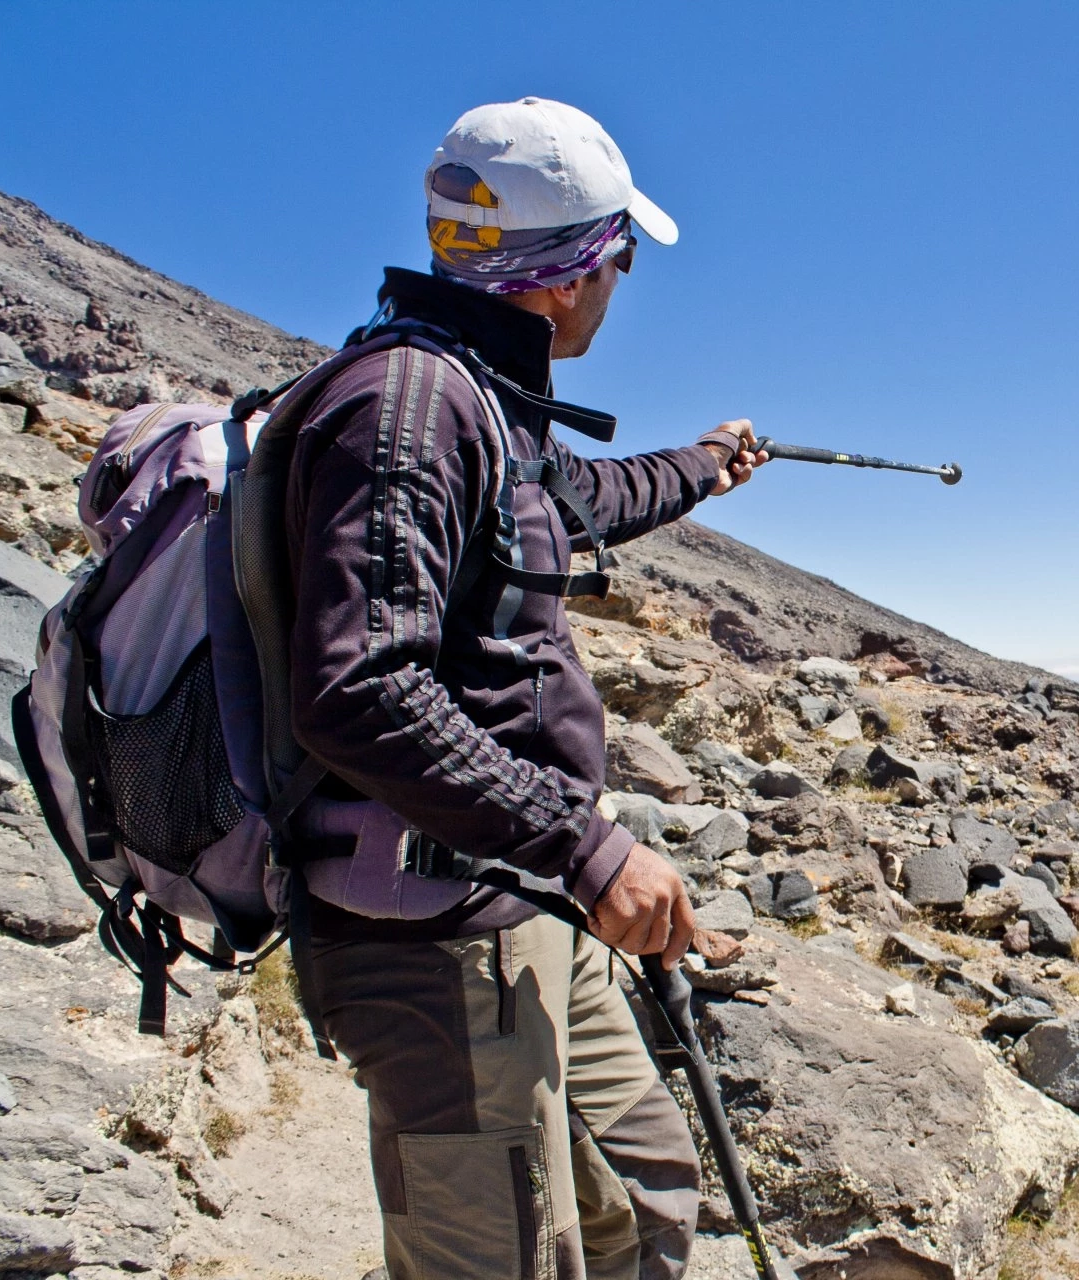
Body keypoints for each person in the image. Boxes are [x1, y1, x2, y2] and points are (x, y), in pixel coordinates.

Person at [282, 97, 762, 1280]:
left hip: (520, 901)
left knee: (639, 1191)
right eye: (622, 255)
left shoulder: (475, 398)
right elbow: (356, 687)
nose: (623, 280)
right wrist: (591, 849)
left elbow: (577, 500)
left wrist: (703, 465)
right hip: (433, 939)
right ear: (570, 273)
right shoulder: (407, 410)